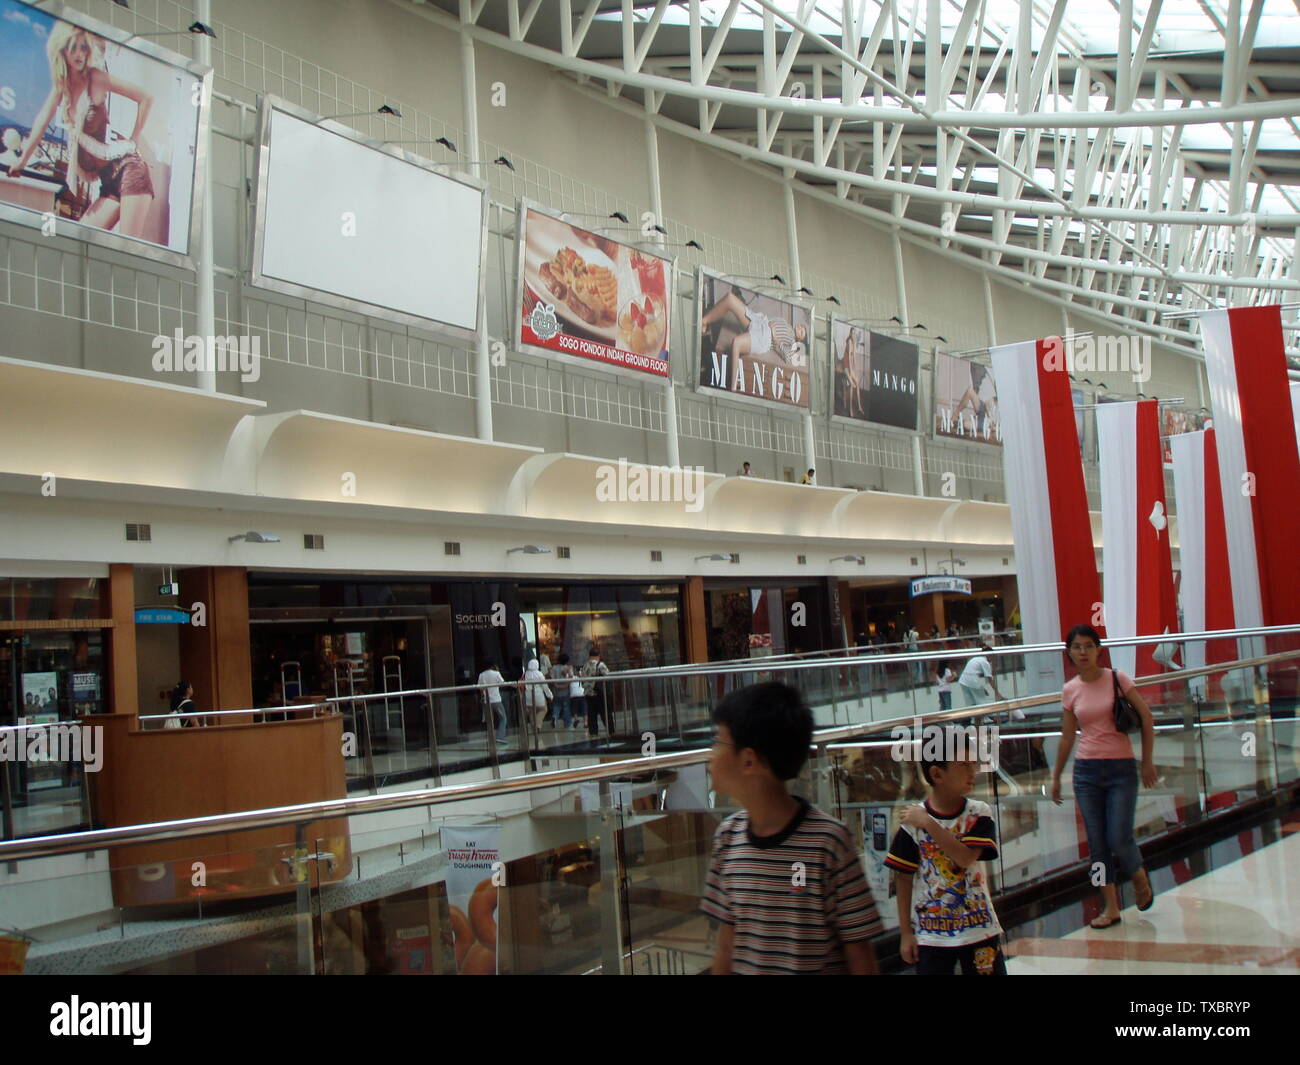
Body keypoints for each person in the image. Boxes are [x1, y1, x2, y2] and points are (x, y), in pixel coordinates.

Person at [701, 681, 881, 974]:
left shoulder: (828, 843)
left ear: (748, 760)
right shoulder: (727, 838)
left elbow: (861, 956)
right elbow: (726, 947)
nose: (710, 755)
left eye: (718, 742)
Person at [1051, 624, 1157, 929]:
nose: (1083, 652)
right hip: (1087, 772)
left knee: (1119, 838)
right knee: (1096, 845)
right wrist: (1057, 775)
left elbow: (1147, 719)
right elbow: (1067, 736)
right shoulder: (1070, 689)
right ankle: (1109, 906)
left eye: (1088, 646)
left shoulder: (1117, 679)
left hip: (1121, 769)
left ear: (1099, 649)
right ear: (1069, 652)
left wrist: (1147, 762)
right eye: (1076, 647)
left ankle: (1138, 877)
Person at [8, 24, 156, 239]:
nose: (79, 54)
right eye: (73, 48)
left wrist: (134, 139)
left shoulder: (95, 77)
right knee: (80, 236)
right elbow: (41, 122)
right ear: (61, 51)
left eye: (83, 48)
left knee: (127, 248)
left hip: (129, 169)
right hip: (107, 179)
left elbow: (146, 97)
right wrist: (22, 162)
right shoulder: (62, 87)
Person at [886, 737, 1006, 974]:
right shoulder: (912, 824)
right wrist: (906, 934)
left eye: (973, 763)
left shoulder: (979, 812)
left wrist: (929, 824)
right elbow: (903, 878)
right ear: (937, 775)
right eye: (963, 765)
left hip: (979, 927)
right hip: (931, 935)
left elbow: (964, 858)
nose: (972, 771)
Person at [700, 287, 808, 366]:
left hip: (763, 337)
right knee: (730, 298)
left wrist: (774, 336)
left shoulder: (792, 342)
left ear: (800, 340)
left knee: (736, 342)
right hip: (758, 322)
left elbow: (787, 357)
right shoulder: (786, 323)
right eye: (801, 326)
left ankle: (732, 387)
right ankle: (704, 322)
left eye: (801, 331)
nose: (799, 327)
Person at [580, 647, 611, 736]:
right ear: (598, 656)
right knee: (605, 712)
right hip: (599, 692)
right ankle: (610, 731)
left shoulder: (585, 665)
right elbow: (608, 676)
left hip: (588, 693)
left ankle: (593, 732)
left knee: (591, 714)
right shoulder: (600, 665)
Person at [477, 661, 507, 744]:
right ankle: (500, 736)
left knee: (490, 720)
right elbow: (502, 683)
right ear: (493, 666)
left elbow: (480, 688)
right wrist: (498, 671)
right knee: (503, 718)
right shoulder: (496, 673)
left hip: (487, 701)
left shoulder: (481, 675)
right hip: (496, 699)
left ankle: (491, 738)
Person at [520, 657, 552, 734]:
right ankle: (538, 725)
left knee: (532, 712)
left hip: (528, 696)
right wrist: (550, 695)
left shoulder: (526, 674)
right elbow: (545, 687)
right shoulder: (539, 674)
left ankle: (534, 729)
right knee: (543, 709)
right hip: (538, 695)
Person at [549, 653, 574, 729]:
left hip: (556, 691)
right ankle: (567, 724)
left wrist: (556, 685)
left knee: (556, 705)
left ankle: (554, 716)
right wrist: (566, 685)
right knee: (566, 707)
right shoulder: (568, 668)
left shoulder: (554, 668)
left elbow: (552, 678)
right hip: (565, 690)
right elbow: (571, 677)